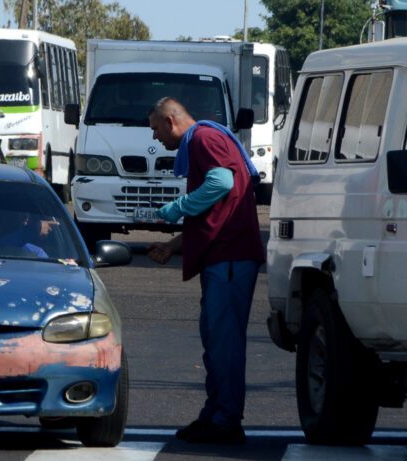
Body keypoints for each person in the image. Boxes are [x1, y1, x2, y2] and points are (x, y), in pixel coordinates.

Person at [146, 97, 264, 444]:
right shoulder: (207, 138)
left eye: (155, 128)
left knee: (223, 344)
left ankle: (225, 419)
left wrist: (174, 208)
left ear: (170, 121)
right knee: (216, 341)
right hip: (225, 257)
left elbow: (221, 184)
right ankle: (216, 414)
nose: (155, 138)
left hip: (229, 259)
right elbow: (217, 211)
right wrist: (172, 245)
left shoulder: (202, 139)